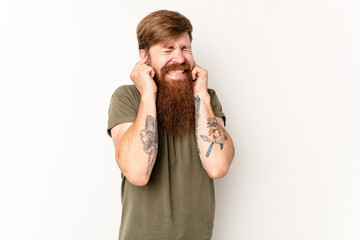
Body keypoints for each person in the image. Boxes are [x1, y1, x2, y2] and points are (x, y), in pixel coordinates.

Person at [107, 9, 235, 240]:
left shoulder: (206, 98)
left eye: (185, 48)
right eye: (168, 49)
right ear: (144, 57)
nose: (179, 58)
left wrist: (202, 97)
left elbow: (218, 167)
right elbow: (137, 173)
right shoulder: (127, 98)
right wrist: (148, 94)